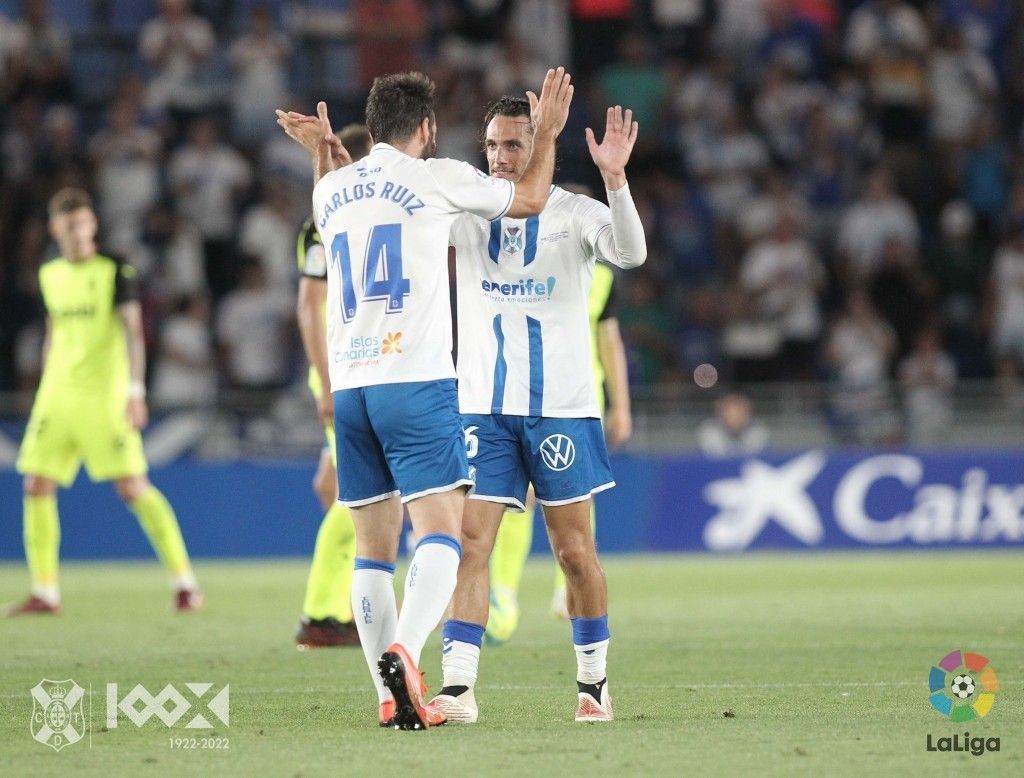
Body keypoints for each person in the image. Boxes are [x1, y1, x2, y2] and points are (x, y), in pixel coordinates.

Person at [275, 67, 573, 730]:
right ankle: (407, 653)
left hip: (350, 389)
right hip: (414, 381)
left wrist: (322, 154)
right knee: (439, 533)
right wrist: (546, 133)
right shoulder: (439, 177)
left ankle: (387, 696)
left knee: (372, 551)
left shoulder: (331, 194)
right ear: (429, 129)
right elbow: (526, 201)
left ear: (373, 126)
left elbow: (339, 189)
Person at [429, 97, 646, 724]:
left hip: (561, 409)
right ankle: (460, 688)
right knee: (471, 543)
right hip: (484, 410)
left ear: (540, 145)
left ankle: (593, 682)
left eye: (515, 145)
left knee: (574, 552)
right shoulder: (467, 213)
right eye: (492, 146)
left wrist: (615, 180)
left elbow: (630, 254)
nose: (500, 159)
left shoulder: (573, 213)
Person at [8, 188, 202, 616]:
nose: (78, 233)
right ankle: (45, 591)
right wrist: (43, 388)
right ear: (56, 228)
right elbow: (53, 331)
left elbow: (133, 331)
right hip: (57, 396)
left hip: (105, 397)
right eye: (69, 226)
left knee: (133, 488)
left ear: (92, 224)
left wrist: (135, 391)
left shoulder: (115, 269)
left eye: (83, 224)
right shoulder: (49, 273)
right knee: (36, 485)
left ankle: (185, 582)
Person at [486, 234, 632, 637]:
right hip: (523, 390)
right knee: (526, 491)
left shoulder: (602, 276)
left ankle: (556, 589)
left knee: (573, 489)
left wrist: (621, 405)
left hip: (580, 397)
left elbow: (610, 340)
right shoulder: (524, 267)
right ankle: (504, 591)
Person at [293, 124, 373, 650]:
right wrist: (325, 382)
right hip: (341, 372)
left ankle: (341, 607)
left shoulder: (366, 221)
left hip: (361, 366)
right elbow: (310, 305)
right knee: (356, 499)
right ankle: (321, 615)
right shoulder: (323, 228)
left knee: (339, 487)